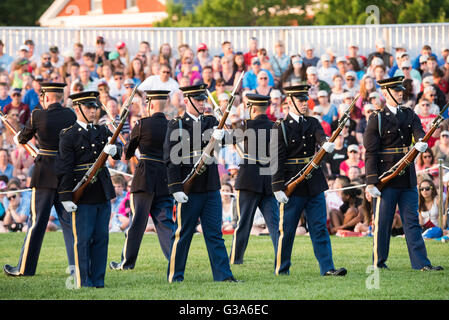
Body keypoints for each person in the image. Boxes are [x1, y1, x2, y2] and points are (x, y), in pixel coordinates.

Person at [363, 75, 443, 271]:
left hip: (406, 178)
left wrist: (421, 141)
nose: (400, 93)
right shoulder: (377, 118)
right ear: (385, 93)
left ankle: (421, 263)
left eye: (401, 90)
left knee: (412, 222)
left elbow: (418, 131)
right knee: (383, 224)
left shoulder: (409, 114)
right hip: (385, 179)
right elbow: (370, 151)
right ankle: (379, 263)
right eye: (396, 90)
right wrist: (371, 182)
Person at [163, 83, 238, 283]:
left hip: (210, 186)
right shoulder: (176, 125)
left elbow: (231, 140)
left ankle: (223, 276)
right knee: (183, 233)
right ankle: (175, 276)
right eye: (198, 100)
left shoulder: (212, 120)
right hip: (188, 187)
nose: (202, 103)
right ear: (187, 101)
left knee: (214, 233)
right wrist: (175, 188)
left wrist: (224, 130)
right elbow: (170, 159)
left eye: (203, 99)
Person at [271, 84, 347, 277]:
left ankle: (327, 267)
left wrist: (325, 143)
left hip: (313, 182)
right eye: (300, 101)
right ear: (290, 102)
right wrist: (277, 187)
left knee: (319, 227)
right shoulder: (281, 126)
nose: (304, 104)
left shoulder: (312, 122)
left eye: (306, 100)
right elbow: (276, 158)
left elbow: (320, 137)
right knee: (287, 230)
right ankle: (282, 268)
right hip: (291, 183)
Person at [3, 83, 77, 277]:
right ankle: (77, 268)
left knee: (36, 224)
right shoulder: (71, 115)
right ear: (60, 96)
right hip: (65, 175)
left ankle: (25, 268)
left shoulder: (37, 115)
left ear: (45, 97)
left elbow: (22, 139)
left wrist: (19, 134)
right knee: (70, 225)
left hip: (43, 174)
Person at [57, 90, 122, 288]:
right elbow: (64, 168)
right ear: (77, 109)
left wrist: (115, 149)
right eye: (89, 107)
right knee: (83, 240)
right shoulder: (68, 135)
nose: (94, 111)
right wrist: (66, 196)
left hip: (102, 191)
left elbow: (119, 149)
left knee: (101, 238)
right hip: (82, 193)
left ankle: (99, 280)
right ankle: (83, 280)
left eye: (95, 107)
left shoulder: (102, 131)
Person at [109, 90, 176, 270]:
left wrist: (126, 142)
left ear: (151, 104)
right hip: (164, 178)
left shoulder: (142, 124)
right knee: (165, 223)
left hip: (145, 178)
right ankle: (175, 261)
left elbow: (128, 152)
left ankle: (127, 263)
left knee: (137, 223)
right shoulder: (173, 125)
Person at [228, 93, 279, 265]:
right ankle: (281, 257)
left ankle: (236, 259)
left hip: (248, 179)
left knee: (243, 223)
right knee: (274, 224)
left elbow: (230, 140)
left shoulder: (245, 126)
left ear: (253, 108)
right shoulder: (275, 126)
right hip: (269, 179)